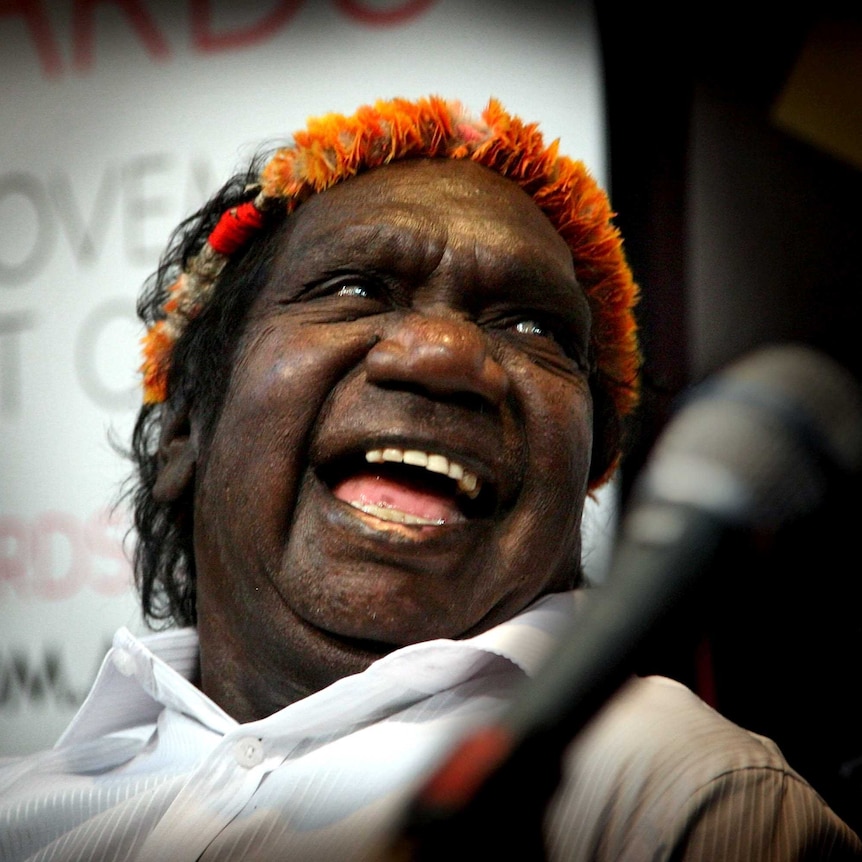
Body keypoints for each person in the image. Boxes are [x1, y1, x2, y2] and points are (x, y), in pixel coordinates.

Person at [0, 95, 859, 861]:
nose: (446, 355)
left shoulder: (680, 800)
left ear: (592, 466)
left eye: (531, 325)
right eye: (356, 287)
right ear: (187, 431)